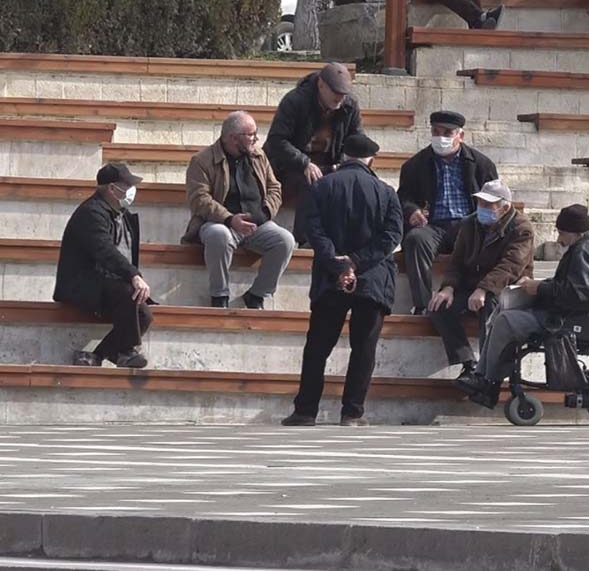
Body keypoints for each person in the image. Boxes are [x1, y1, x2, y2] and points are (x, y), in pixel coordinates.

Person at [282, 135, 402, 427]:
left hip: (329, 277)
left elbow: (312, 230)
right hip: (372, 280)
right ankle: (352, 413)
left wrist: (339, 264)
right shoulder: (386, 193)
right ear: (371, 160)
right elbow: (392, 236)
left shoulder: (321, 186)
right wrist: (357, 263)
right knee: (364, 349)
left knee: (318, 346)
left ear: (344, 156)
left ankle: (305, 411)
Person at [457, 204, 589, 407]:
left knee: (505, 320)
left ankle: (486, 379)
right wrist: (539, 286)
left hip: (564, 318)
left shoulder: (585, 252)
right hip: (564, 312)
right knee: (502, 312)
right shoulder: (588, 246)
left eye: (562, 233)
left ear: (578, 232)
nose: (559, 239)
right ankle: (485, 378)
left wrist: (540, 288)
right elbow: (573, 286)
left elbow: (578, 292)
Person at [184, 111, 295, 309]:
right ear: (233, 138)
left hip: (257, 223)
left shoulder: (259, 156)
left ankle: (257, 294)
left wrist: (265, 213)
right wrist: (229, 219)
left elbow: (275, 188)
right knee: (219, 235)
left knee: (285, 240)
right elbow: (199, 199)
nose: (256, 138)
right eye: (251, 134)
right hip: (219, 223)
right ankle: (219, 295)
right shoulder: (202, 161)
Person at [427, 180, 534, 385]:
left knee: (492, 305)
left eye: (488, 205)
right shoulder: (470, 223)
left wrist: (484, 288)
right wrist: (448, 287)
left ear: (505, 207)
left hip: (505, 287)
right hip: (471, 285)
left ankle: (487, 372)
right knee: (438, 306)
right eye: (481, 203)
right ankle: (467, 362)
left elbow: (511, 265)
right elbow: (457, 261)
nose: (483, 208)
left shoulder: (522, 228)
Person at [398, 110, 498, 315]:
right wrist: (412, 210)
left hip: (468, 223)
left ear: (460, 136)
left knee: (481, 241)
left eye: (447, 133)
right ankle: (423, 304)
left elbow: (495, 196)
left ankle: (475, 301)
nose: (441, 138)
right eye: (436, 132)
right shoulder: (415, 165)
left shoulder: (481, 164)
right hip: (433, 225)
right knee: (416, 240)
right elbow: (403, 197)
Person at [54, 162, 152, 369]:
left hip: (109, 283)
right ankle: (126, 352)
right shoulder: (91, 213)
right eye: (126, 185)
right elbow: (104, 250)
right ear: (111, 188)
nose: (130, 191)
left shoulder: (120, 215)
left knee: (144, 314)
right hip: (83, 283)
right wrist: (133, 275)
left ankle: (97, 356)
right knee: (129, 295)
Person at [265, 62, 364, 245]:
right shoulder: (295, 101)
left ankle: (349, 241)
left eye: (343, 94)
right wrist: (304, 163)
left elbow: (356, 139)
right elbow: (277, 141)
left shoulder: (349, 105)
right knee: (310, 181)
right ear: (321, 85)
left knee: (355, 182)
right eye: (335, 92)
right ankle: (304, 240)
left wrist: (354, 159)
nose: (339, 98)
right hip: (290, 167)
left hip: (330, 164)